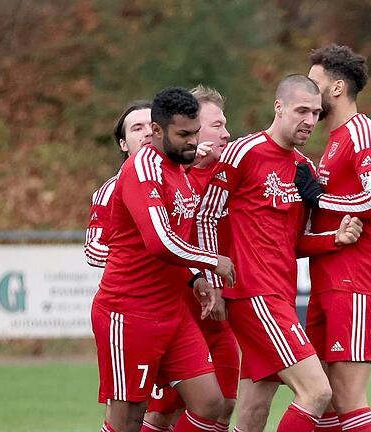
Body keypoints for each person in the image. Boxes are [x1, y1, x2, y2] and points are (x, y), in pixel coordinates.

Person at [195, 74, 364, 432]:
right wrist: (214, 282)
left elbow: (295, 242)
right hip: (254, 294)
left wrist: (336, 238)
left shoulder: (304, 168)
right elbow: (206, 216)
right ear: (278, 107)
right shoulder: (243, 153)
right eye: (301, 110)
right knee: (317, 393)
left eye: (316, 113)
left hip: (280, 296)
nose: (309, 120)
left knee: (254, 410)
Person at [92, 86, 236, 432]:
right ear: (157, 131)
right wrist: (211, 261)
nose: (191, 141)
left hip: (171, 313)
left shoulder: (176, 168)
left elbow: (175, 237)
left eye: (195, 133)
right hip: (129, 313)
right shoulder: (143, 169)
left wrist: (193, 278)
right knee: (129, 419)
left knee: (211, 403)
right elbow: (159, 242)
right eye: (183, 134)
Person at [293, 44, 371, 432]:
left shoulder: (362, 131)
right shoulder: (336, 140)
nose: (306, 92)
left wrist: (320, 196)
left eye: (313, 83)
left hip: (356, 280)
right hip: (330, 281)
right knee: (325, 400)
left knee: (349, 399)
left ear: (336, 88)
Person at [143, 85, 239, 432]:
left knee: (224, 403)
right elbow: (164, 237)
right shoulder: (168, 174)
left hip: (216, 306)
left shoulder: (230, 168)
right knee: (162, 411)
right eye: (216, 125)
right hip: (181, 308)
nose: (225, 133)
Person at [85, 101, 152, 268]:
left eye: (154, 126)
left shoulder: (182, 178)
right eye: (138, 128)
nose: (149, 132)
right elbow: (93, 249)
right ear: (123, 144)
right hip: (135, 290)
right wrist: (140, 258)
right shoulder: (111, 190)